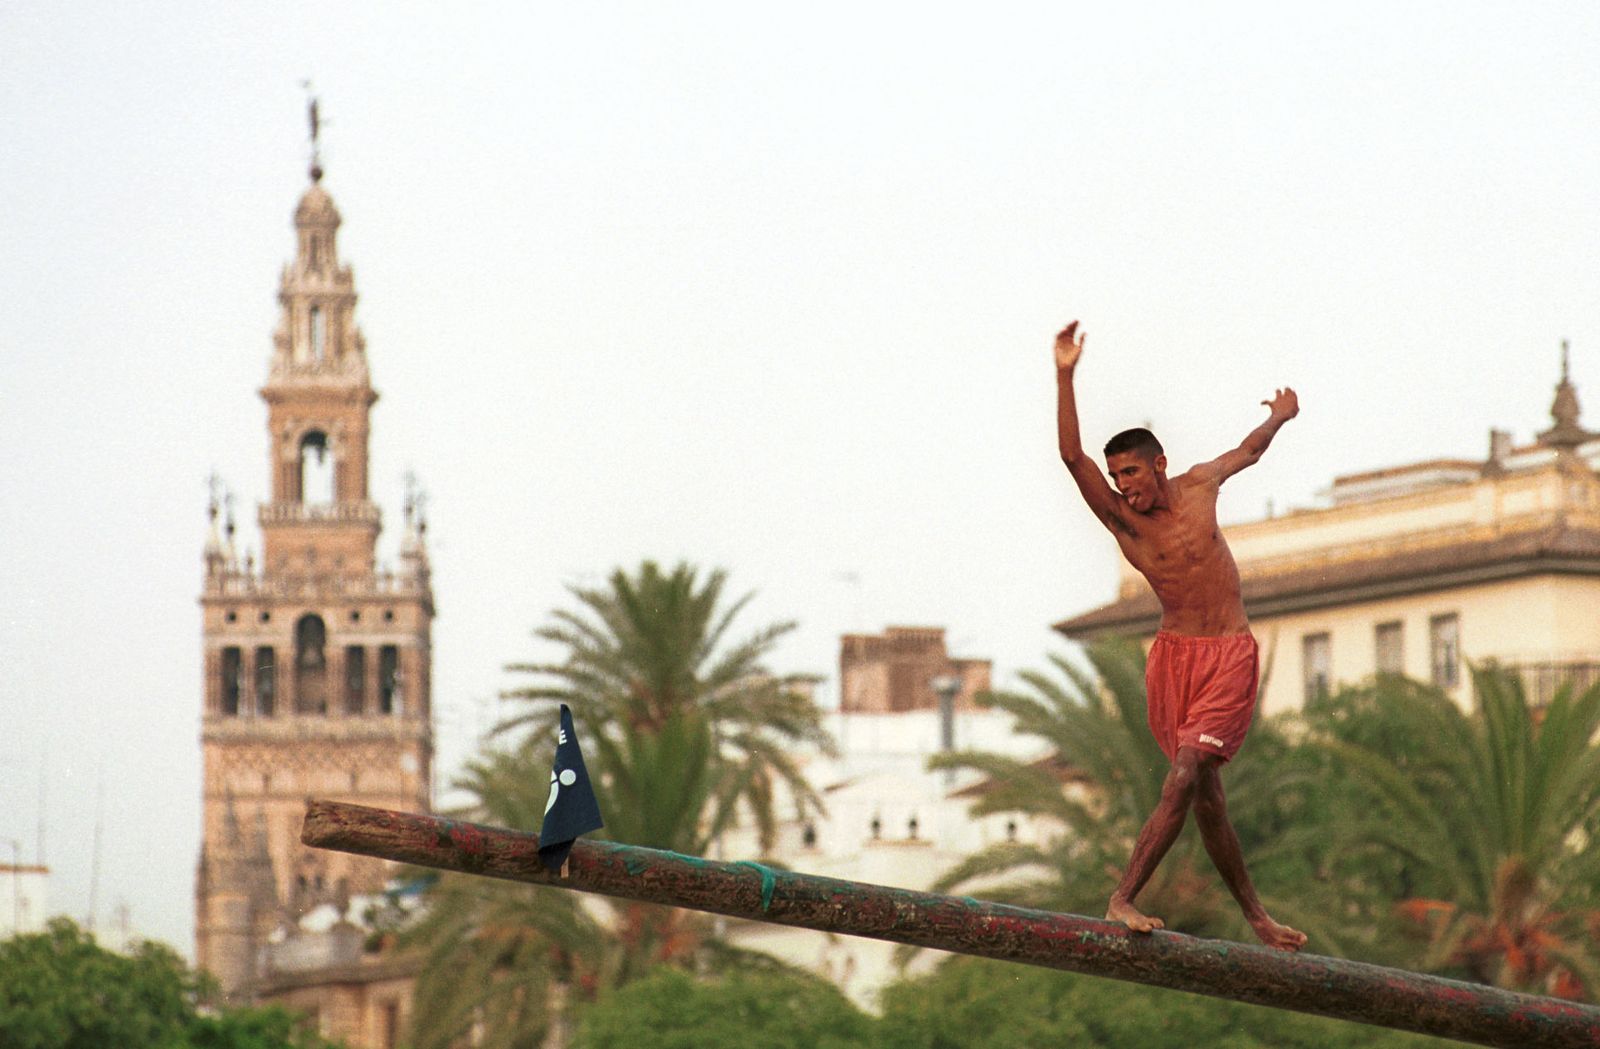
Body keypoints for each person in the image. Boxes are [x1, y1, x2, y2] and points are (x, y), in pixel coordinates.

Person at [1053, 319, 1308, 952]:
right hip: (1174, 660)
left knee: (1188, 772)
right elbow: (1072, 458)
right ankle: (1257, 917)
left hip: (1228, 655)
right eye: (1117, 477)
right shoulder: (1124, 523)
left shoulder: (1199, 486)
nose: (1124, 486)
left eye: (1132, 473)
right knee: (1206, 799)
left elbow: (1247, 452)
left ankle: (1123, 896)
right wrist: (1065, 374)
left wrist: (1279, 417)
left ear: (1159, 465)